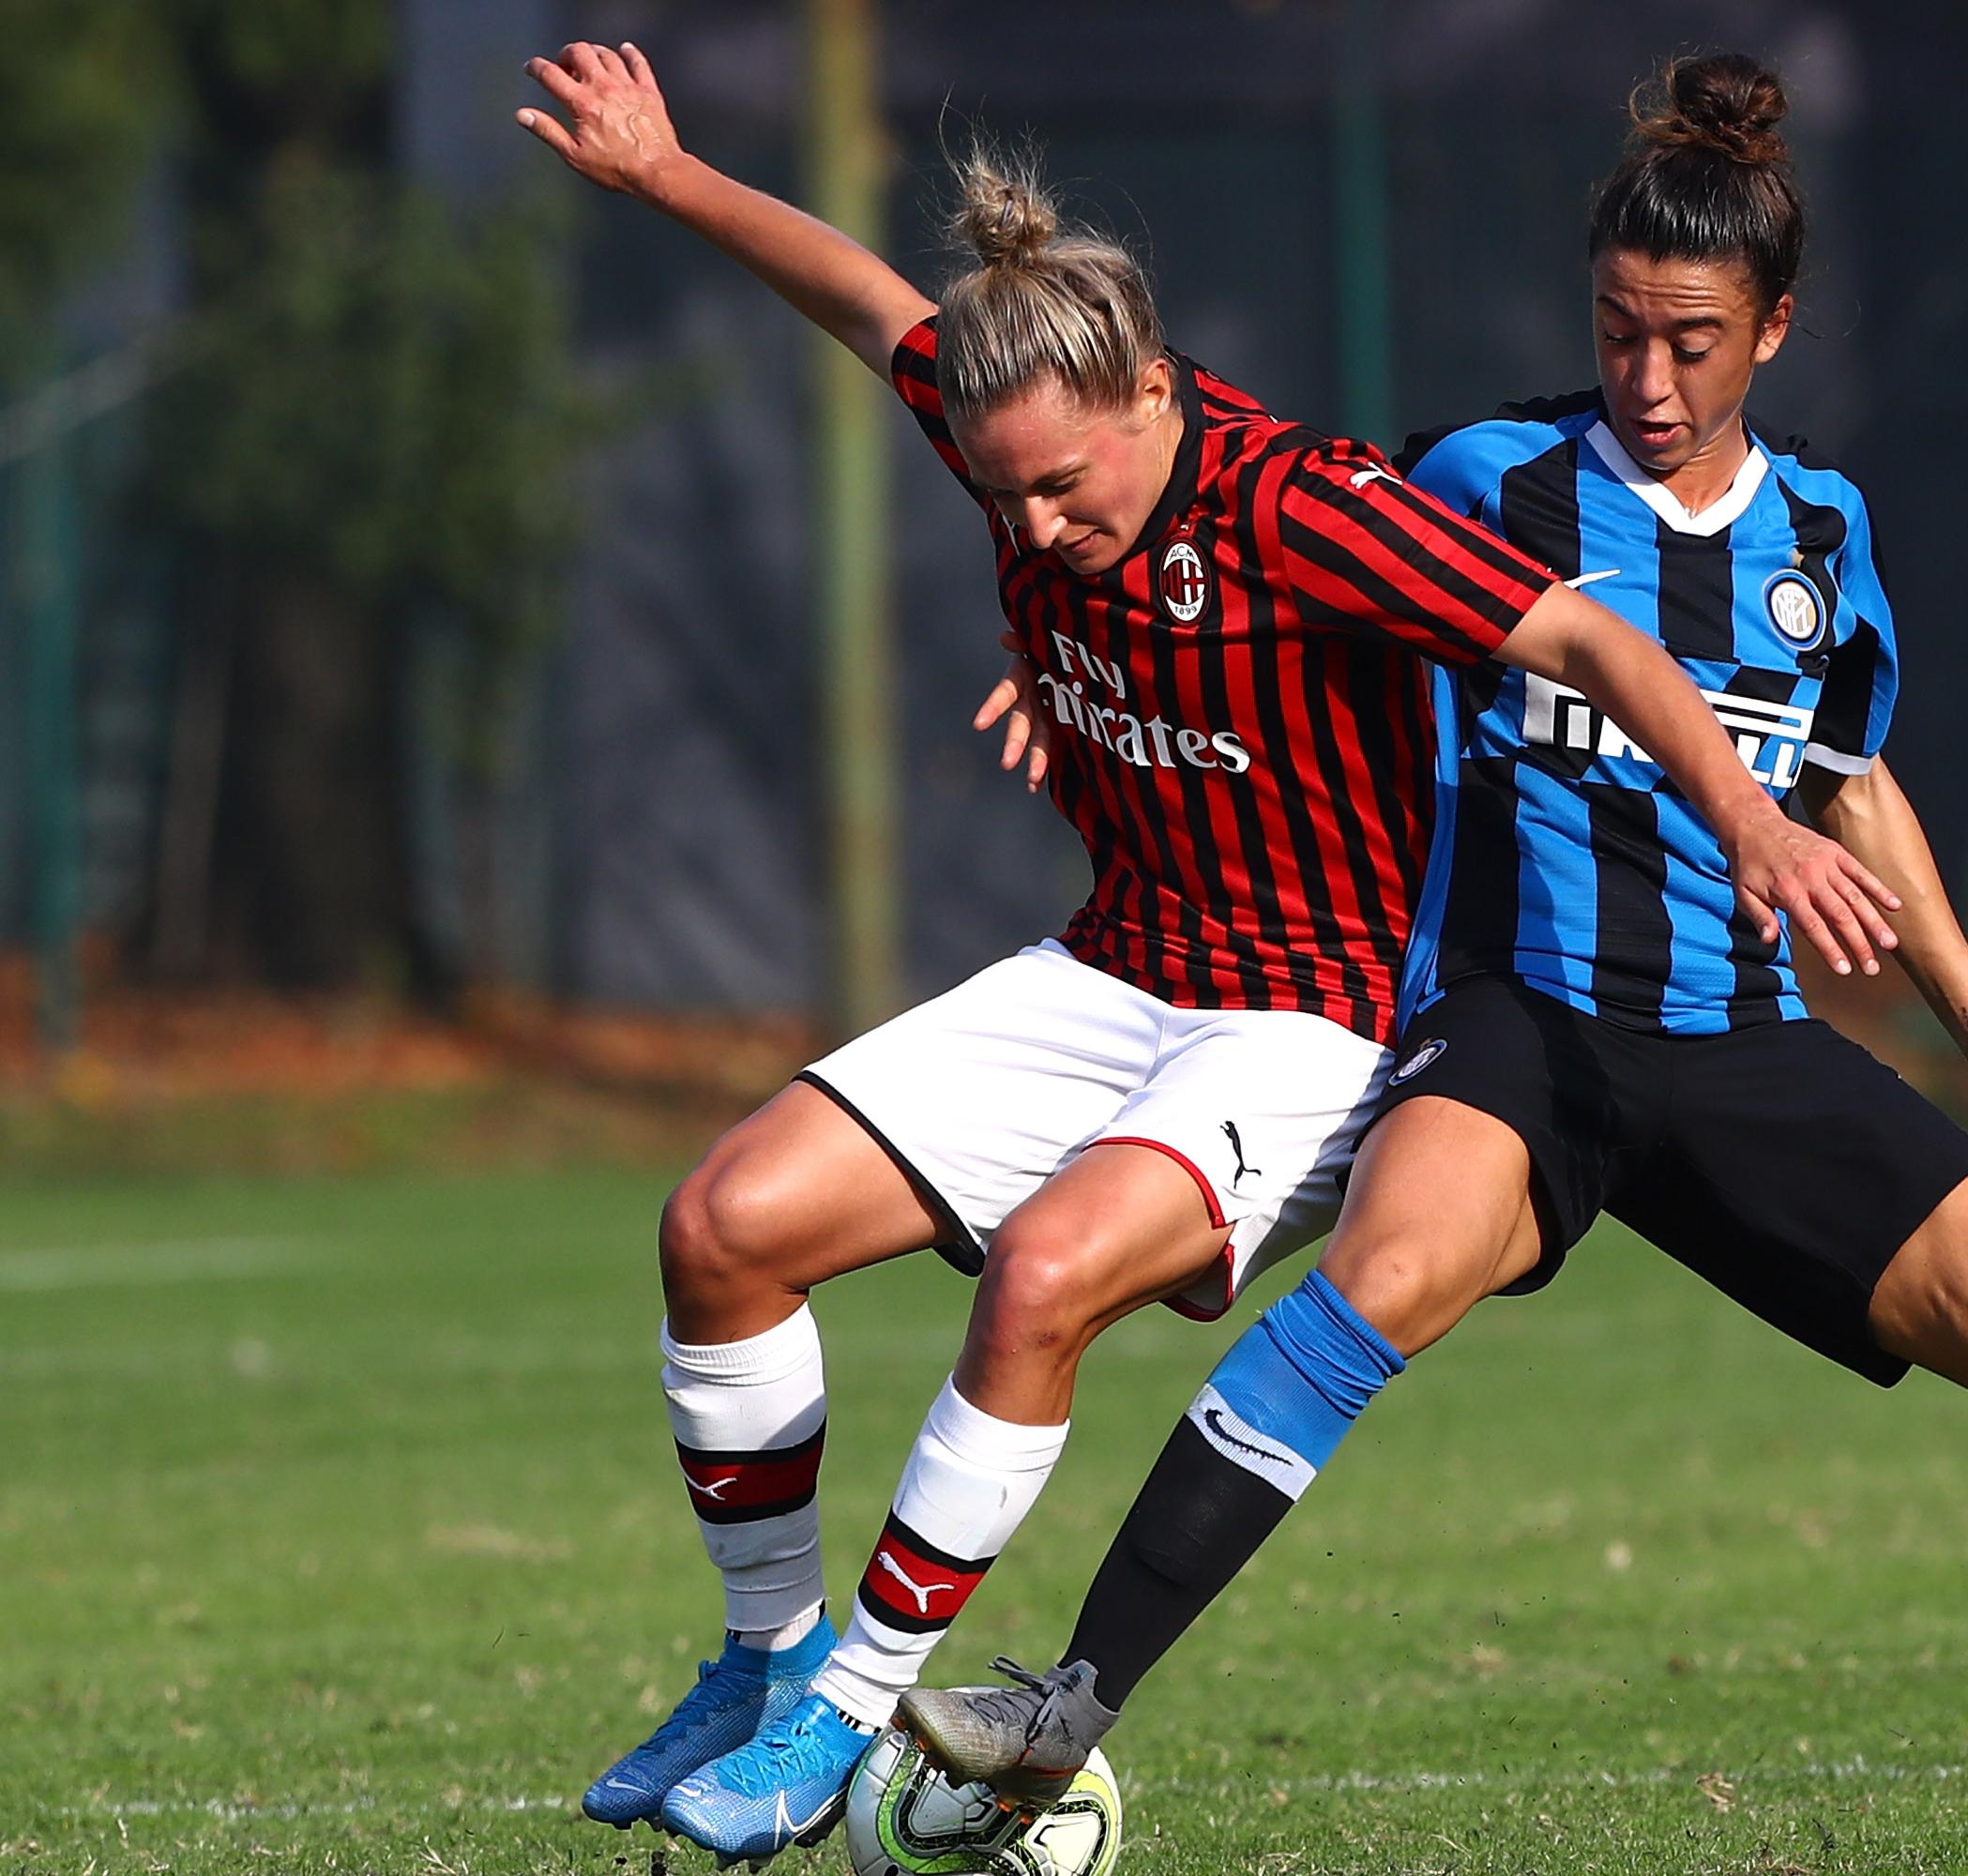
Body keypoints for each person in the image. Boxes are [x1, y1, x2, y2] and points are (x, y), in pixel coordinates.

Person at [901, 54, 1968, 1876]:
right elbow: (1233, 520)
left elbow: (1851, 787)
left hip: (1743, 1042)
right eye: (1619, 333)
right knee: (1385, 1276)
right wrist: (1083, 665)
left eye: (1692, 341)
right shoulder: (1482, 478)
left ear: (1775, 328)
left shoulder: (1822, 535)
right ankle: (1064, 1708)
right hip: (1513, 1023)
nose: (1651, 379)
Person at [513, 39, 1897, 1866]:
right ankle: (765, 1661)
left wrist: (1758, 825)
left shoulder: (1303, 507)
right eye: (1003, 498)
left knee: (1043, 1279)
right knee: (721, 1227)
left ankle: (855, 1704)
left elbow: (1596, 643)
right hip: (1114, 966)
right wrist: (663, 169)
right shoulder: (1011, 419)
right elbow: (860, 297)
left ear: (1153, 390)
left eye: (1062, 491)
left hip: (1308, 1018)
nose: (1035, 530)